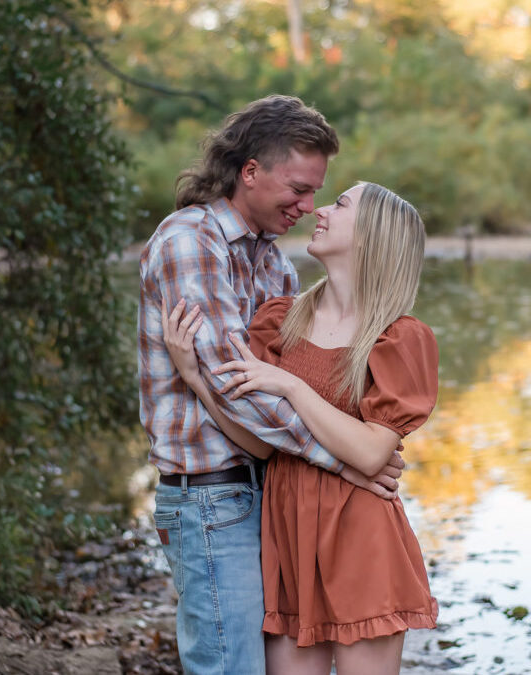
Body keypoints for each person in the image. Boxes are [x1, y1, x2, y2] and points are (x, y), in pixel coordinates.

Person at [138, 95, 404, 675]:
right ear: (249, 172)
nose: (309, 207)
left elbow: (276, 384)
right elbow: (244, 389)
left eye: (319, 193)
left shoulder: (275, 266)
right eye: (300, 189)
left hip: (269, 490)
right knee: (230, 667)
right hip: (212, 495)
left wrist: (352, 446)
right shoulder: (191, 242)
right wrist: (349, 462)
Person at [162, 181, 439, 675]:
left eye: (342, 204)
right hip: (287, 543)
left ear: (372, 235)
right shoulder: (281, 320)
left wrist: (290, 387)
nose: (320, 209)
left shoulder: (397, 336)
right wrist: (195, 379)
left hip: (361, 541)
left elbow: (373, 452)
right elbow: (261, 445)